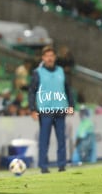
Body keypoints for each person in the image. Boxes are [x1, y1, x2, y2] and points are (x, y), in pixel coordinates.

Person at [28, 45, 74, 174]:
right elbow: (32, 91)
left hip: (60, 109)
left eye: (51, 56)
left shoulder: (61, 71)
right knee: (44, 140)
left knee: (61, 139)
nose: (49, 58)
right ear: (43, 58)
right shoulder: (38, 72)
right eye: (47, 56)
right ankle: (43, 166)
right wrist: (32, 109)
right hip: (45, 110)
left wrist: (71, 105)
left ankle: (62, 165)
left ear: (55, 57)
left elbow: (68, 89)